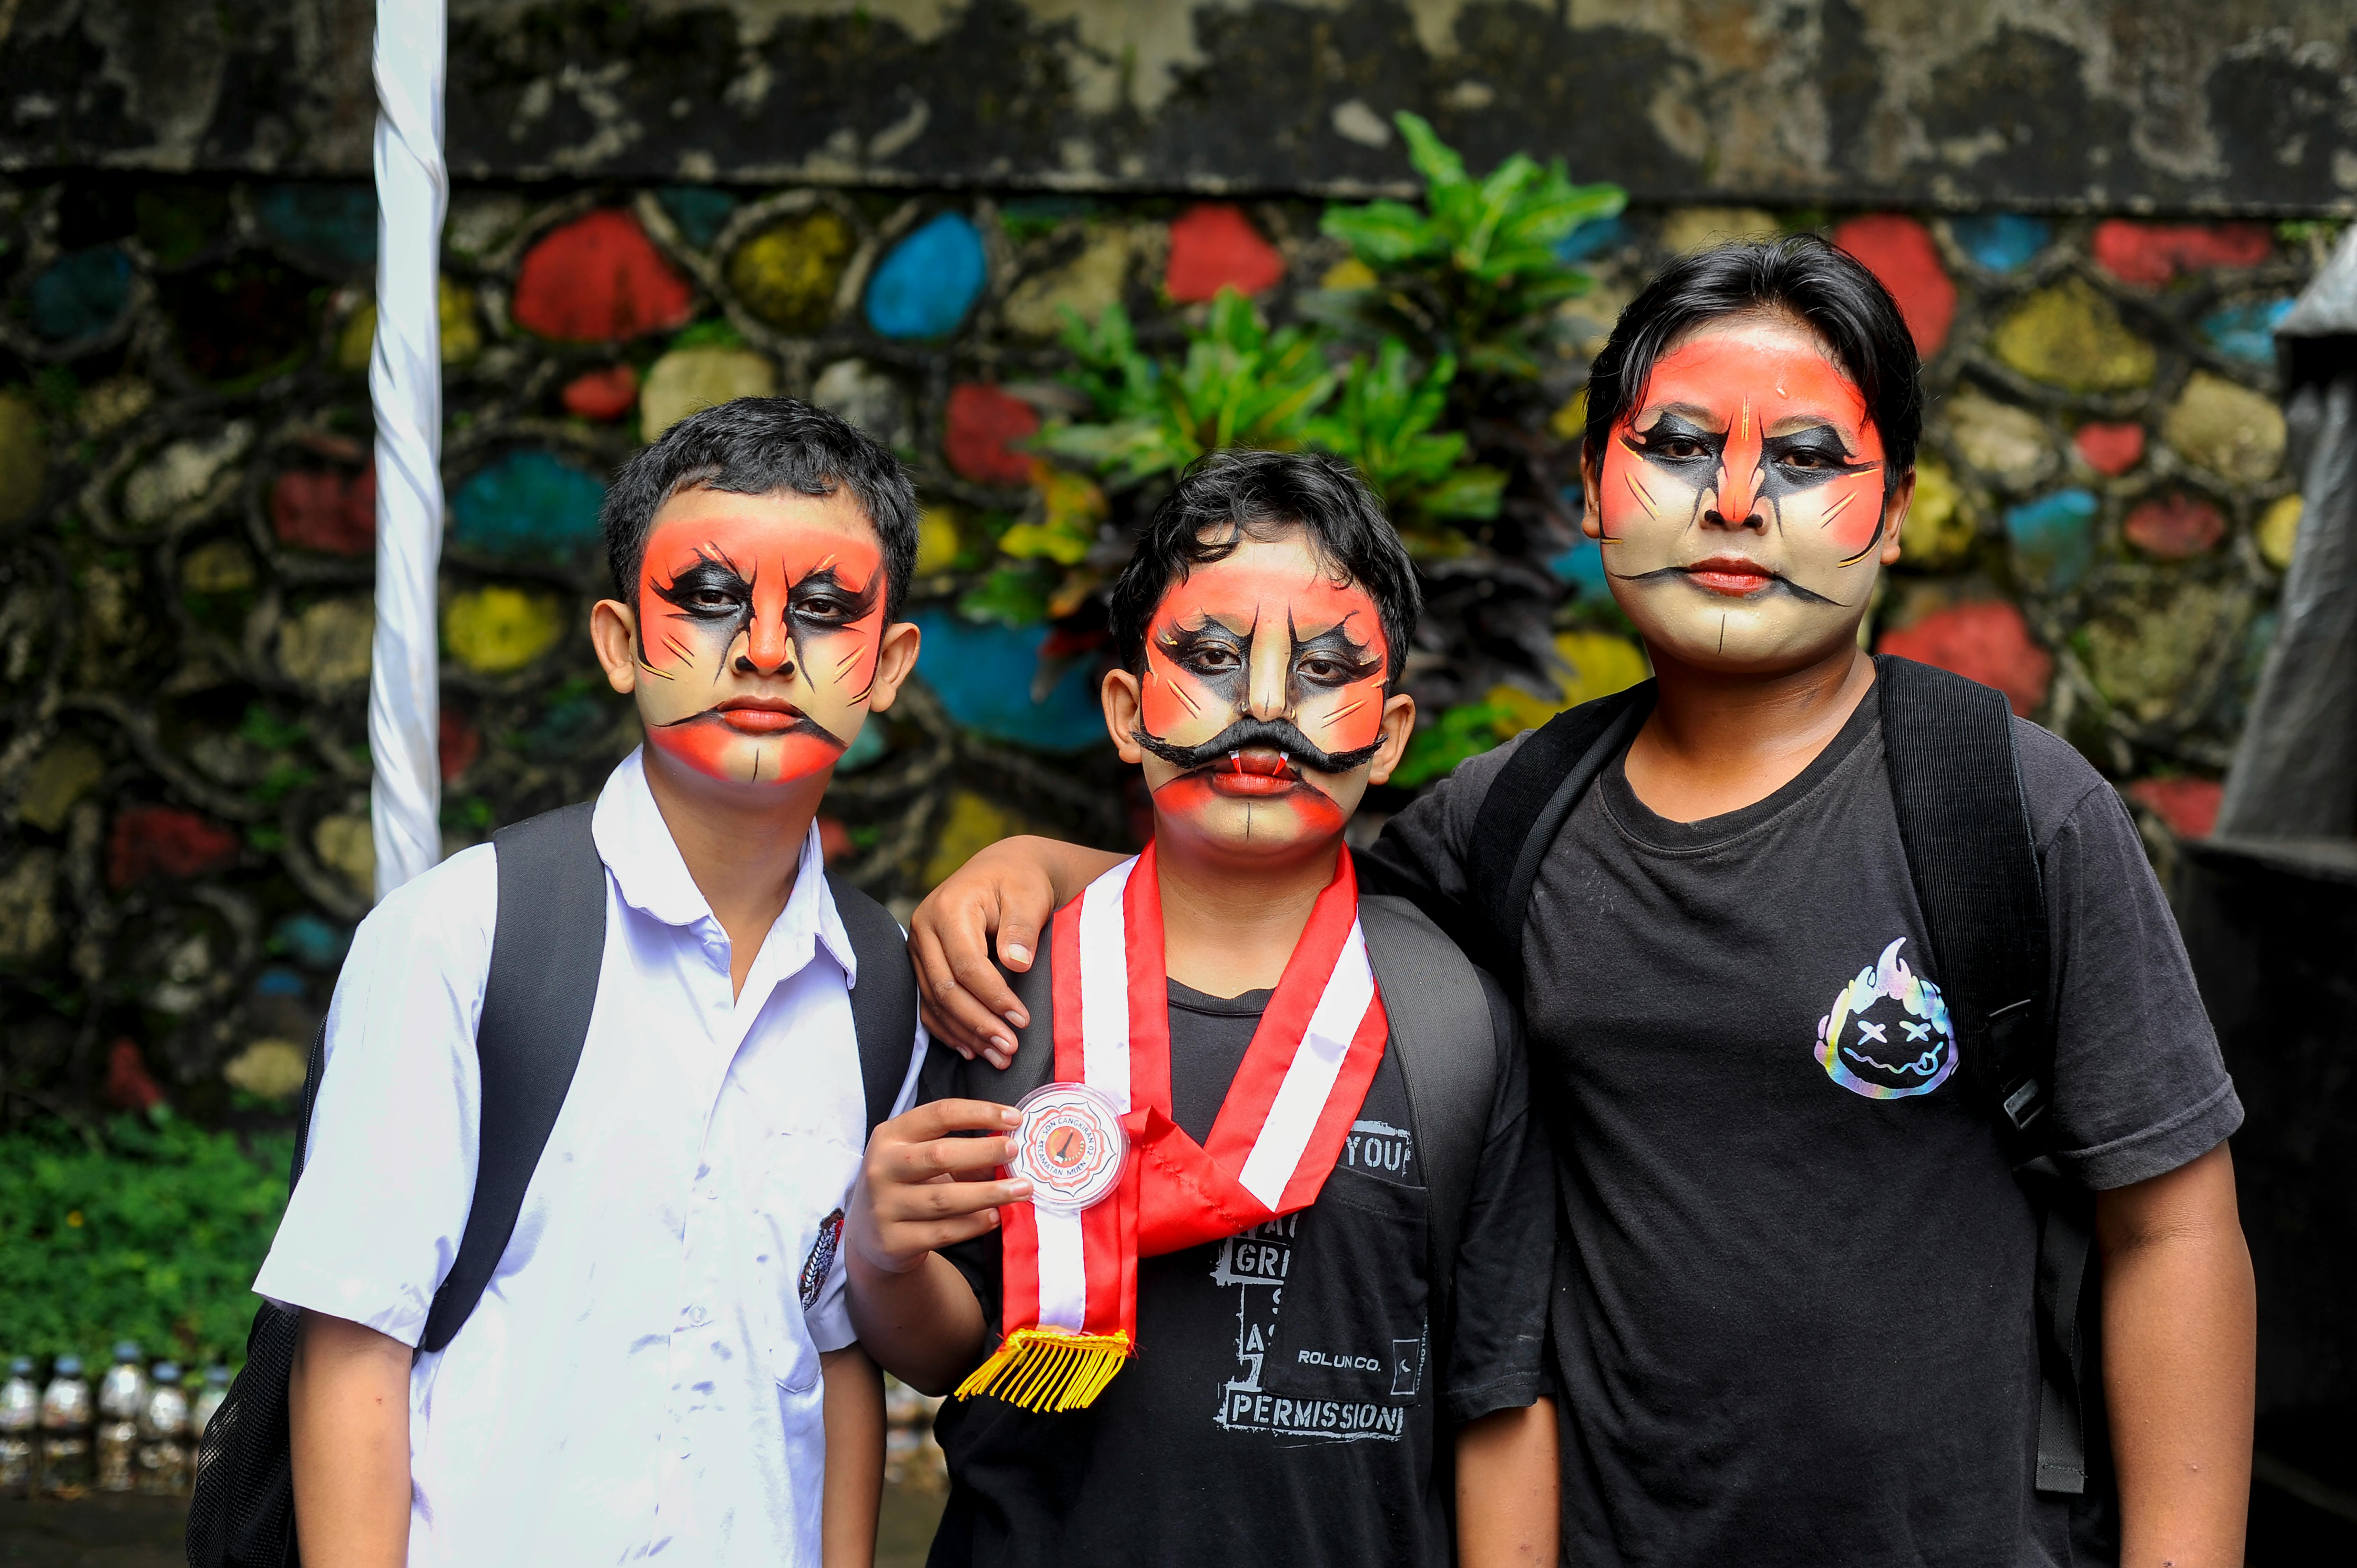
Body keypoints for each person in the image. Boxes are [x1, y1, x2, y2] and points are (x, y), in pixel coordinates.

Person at [907, 239, 2258, 1567]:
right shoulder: (1509, 820)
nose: (1733, 501)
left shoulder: (2007, 809)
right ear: (1594, 490)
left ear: (1893, 509)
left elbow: (2173, 1224)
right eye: (1675, 445)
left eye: (1802, 460)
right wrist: (1045, 865)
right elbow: (1271, 887)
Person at [846, 450, 1560, 1567]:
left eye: (1325, 669)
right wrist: (885, 1259)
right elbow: (951, 1351)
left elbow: (1498, 1396)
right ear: (1127, 712)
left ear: (1390, 735)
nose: (1266, 707)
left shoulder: (1453, 1022)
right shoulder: (1003, 990)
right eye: (1213, 659)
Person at [255, 399, 929, 1567]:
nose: (766, 649)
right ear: (617, 643)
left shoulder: (882, 986)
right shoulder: (461, 936)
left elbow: (836, 1356)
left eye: (823, 611)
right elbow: (355, 1339)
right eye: (708, 599)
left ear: (888, 665)